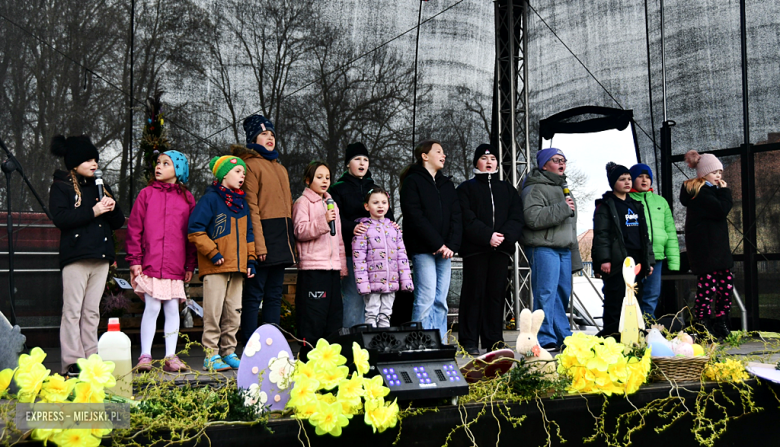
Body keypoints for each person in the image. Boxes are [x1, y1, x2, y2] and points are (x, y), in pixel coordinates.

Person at [49, 135, 125, 376]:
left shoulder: (101, 185)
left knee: (92, 311)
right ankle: (72, 361)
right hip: (76, 257)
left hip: (100, 257)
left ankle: (91, 359)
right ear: (74, 161)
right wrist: (93, 210)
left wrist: (112, 208)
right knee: (73, 310)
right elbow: (61, 219)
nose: (95, 164)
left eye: (96, 159)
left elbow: (118, 221)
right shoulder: (61, 186)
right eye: (89, 159)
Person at [126, 151, 196, 372]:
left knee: (172, 309)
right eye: (158, 163)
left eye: (166, 163)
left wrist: (190, 264)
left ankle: (170, 356)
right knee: (153, 306)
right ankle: (145, 355)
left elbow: (191, 235)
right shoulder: (146, 194)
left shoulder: (187, 198)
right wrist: (135, 260)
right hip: (150, 263)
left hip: (175, 265)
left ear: (179, 170)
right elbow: (135, 229)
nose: (159, 167)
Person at [188, 155, 257, 371]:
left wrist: (251, 260)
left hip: (237, 268)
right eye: (238, 172)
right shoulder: (210, 199)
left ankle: (228, 352)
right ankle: (211, 354)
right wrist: (213, 252)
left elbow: (249, 235)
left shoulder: (242, 203)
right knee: (213, 312)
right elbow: (195, 229)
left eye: (244, 173)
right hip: (215, 267)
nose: (242, 176)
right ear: (223, 174)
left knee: (234, 311)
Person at [233, 115, 296, 343]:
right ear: (252, 139)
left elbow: (288, 207)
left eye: (272, 134)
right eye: (263, 134)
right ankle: (250, 342)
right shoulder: (249, 165)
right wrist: (258, 245)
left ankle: (272, 341)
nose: (270, 138)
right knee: (254, 294)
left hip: (281, 238)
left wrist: (291, 240)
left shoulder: (280, 168)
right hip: (263, 239)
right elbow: (252, 208)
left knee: (274, 295)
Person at [456, 144, 524, 355]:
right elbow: (465, 217)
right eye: (484, 158)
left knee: (496, 295)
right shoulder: (466, 188)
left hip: (501, 251)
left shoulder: (507, 189)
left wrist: (502, 237)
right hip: (476, 250)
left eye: (493, 158)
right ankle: (468, 341)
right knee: (473, 294)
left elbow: (517, 217)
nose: (489, 162)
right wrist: (487, 236)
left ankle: (494, 340)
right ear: (476, 162)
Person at [400, 139, 462, 342]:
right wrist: (437, 244)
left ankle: (440, 345)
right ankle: (420, 345)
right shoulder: (412, 181)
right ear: (424, 156)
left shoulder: (447, 184)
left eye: (443, 152)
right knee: (425, 299)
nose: (443, 155)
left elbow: (456, 216)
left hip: (445, 251)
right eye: (438, 151)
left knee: (441, 301)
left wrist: (451, 245)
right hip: (423, 249)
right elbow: (415, 216)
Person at [520, 148, 582, 350]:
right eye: (556, 160)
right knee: (545, 293)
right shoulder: (534, 188)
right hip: (543, 248)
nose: (562, 163)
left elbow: (570, 227)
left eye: (564, 160)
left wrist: (575, 257)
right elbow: (532, 218)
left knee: (562, 293)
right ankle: (545, 337)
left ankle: (563, 335)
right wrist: (563, 208)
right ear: (544, 164)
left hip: (564, 249)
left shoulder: (564, 188)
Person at [329, 142, 396, 328]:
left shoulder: (375, 188)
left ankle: (373, 340)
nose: (362, 163)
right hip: (352, 252)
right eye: (357, 159)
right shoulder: (337, 189)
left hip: (377, 255)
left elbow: (388, 216)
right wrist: (352, 227)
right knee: (354, 295)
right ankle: (352, 339)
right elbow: (334, 218)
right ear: (347, 163)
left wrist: (394, 228)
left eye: (365, 159)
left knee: (378, 298)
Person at [592, 162, 654, 337]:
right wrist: (604, 259)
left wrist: (649, 261)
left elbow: (645, 235)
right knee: (615, 297)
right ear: (613, 183)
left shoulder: (636, 204)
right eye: (622, 179)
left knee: (635, 297)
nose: (627, 182)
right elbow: (601, 234)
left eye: (629, 179)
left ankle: (634, 334)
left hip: (637, 259)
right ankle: (612, 334)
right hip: (618, 259)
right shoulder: (606, 205)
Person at [293, 161, 348, 357]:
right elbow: (300, 231)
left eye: (327, 177)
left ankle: (331, 360)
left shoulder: (331, 203)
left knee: (333, 318)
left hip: (332, 270)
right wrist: (323, 221)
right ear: (308, 180)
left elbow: (338, 238)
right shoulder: (302, 203)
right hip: (313, 269)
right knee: (313, 318)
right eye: (319, 177)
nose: (324, 181)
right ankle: (309, 358)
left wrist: (341, 265)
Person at [680, 150, 733, 339]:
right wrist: (726, 192)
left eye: (720, 172)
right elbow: (721, 210)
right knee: (708, 288)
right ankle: (701, 323)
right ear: (703, 174)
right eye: (714, 172)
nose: (719, 175)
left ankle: (720, 321)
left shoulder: (712, 191)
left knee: (725, 286)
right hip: (705, 251)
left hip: (717, 249)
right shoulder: (700, 191)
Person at [352, 187, 413, 327]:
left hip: (391, 282)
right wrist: (363, 284)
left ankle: (383, 343)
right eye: (376, 202)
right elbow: (359, 260)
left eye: (384, 202)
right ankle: (371, 344)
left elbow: (402, 257)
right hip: (373, 284)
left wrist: (406, 281)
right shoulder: (363, 229)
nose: (380, 206)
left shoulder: (394, 229)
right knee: (372, 313)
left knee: (386, 314)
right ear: (367, 206)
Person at [628, 163, 680, 318]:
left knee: (652, 295)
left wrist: (674, 262)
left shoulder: (660, 202)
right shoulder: (626, 200)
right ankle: (630, 329)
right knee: (631, 294)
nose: (644, 180)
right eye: (640, 177)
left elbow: (670, 232)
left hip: (656, 257)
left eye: (648, 177)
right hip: (633, 257)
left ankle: (648, 328)